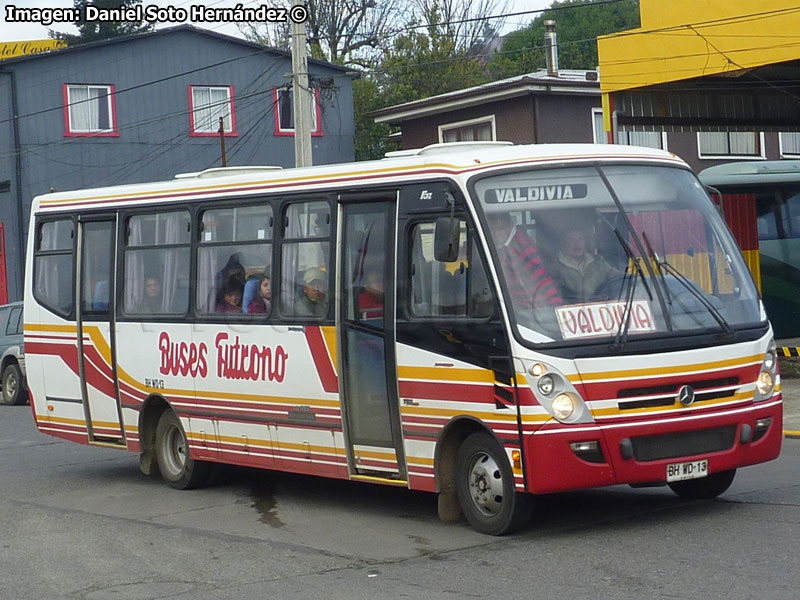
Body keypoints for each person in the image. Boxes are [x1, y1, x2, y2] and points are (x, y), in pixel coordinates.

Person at [487, 212, 562, 309]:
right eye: (493, 229)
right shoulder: (499, 246)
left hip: (532, 309)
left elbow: (539, 284)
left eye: (502, 229)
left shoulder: (524, 249)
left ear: (511, 225)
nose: (497, 233)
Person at [550, 226, 618, 303]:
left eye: (580, 239)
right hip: (572, 312)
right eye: (571, 239)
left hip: (602, 310)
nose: (577, 244)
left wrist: (607, 293)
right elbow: (558, 296)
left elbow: (618, 278)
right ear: (562, 244)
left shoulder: (598, 262)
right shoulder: (556, 267)